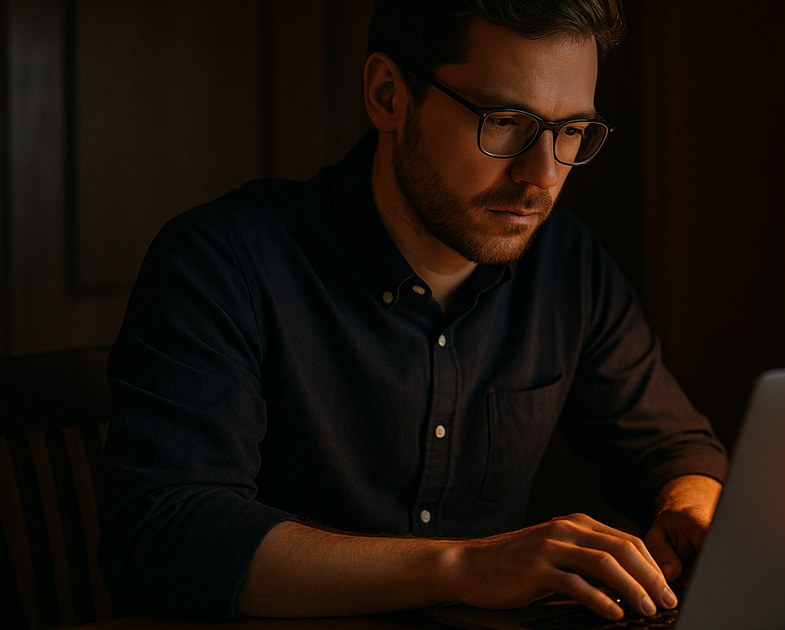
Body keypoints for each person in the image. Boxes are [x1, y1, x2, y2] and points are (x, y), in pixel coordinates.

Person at [100, 0, 727, 623]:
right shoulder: (223, 261)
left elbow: (671, 448)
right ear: (388, 95)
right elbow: (170, 535)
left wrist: (691, 506)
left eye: (571, 132)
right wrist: (467, 566)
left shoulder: (568, 265)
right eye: (506, 121)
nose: (542, 175)